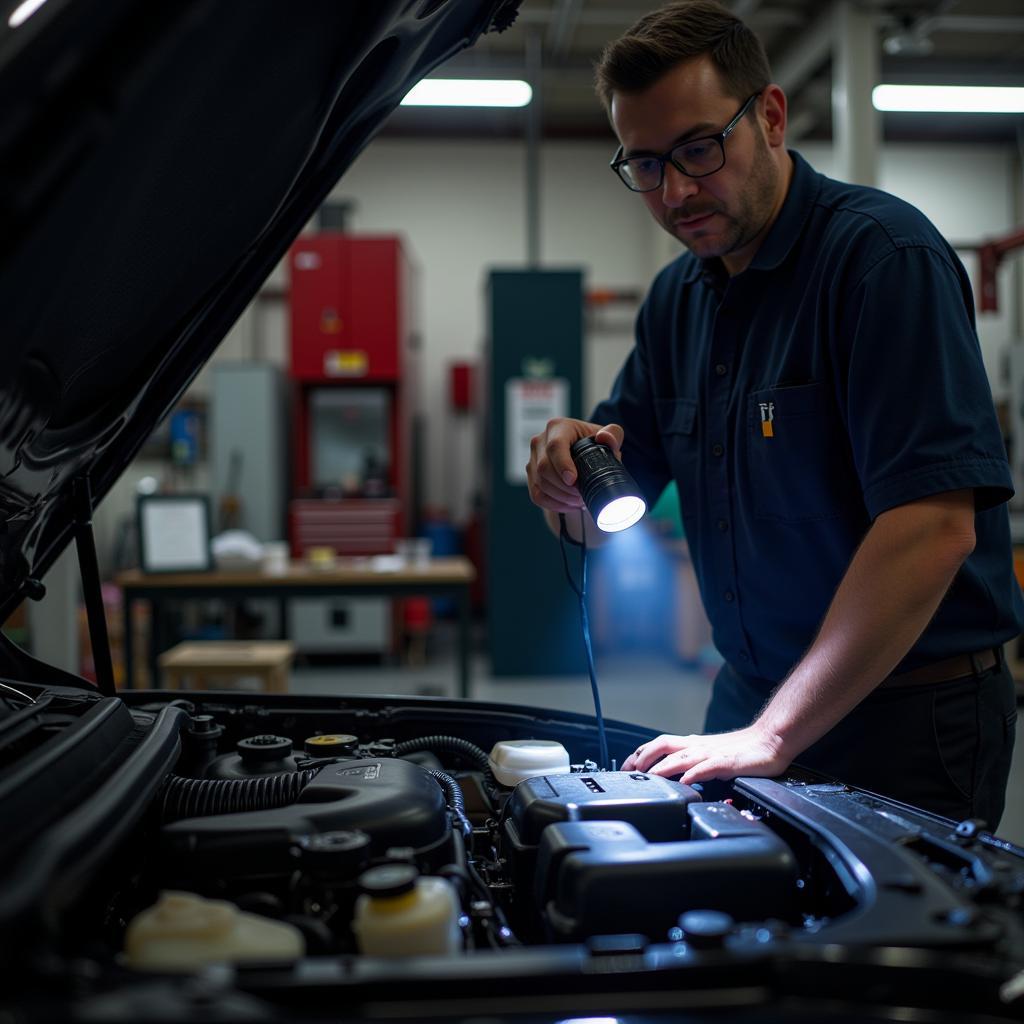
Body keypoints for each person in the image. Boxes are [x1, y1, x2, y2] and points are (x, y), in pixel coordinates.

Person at [525, 0, 1022, 828]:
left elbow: (934, 527)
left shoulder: (882, 260)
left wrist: (774, 733)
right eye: (645, 166)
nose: (676, 191)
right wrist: (562, 480)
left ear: (772, 116)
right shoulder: (676, 301)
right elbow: (604, 515)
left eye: (698, 149)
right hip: (752, 703)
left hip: (905, 720)